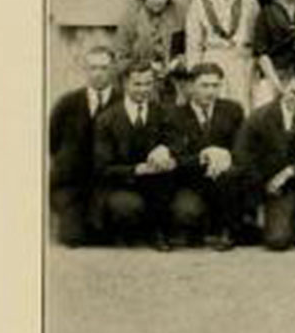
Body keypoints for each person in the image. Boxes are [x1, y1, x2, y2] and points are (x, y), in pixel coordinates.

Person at [234, 70, 295, 251]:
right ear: (284, 87)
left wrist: (290, 172)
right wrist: (262, 191)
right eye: (294, 92)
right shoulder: (260, 116)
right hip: (275, 186)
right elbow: (243, 155)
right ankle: (284, 221)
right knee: (278, 241)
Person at [89, 64, 177, 250]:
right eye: (137, 84)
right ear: (124, 84)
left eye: (148, 84)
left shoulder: (162, 113)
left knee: (167, 190)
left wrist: (166, 150)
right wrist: (136, 169)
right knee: (127, 207)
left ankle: (158, 232)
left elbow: (177, 142)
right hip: (121, 183)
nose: (144, 89)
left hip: (157, 183)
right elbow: (101, 167)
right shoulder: (107, 119)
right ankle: (124, 231)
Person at [164, 63, 246, 250]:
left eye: (215, 86)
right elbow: (175, 157)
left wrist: (225, 156)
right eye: (205, 85)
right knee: (186, 213)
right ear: (191, 86)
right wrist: (203, 156)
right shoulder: (174, 115)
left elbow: (243, 148)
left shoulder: (233, 110)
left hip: (224, 179)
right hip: (192, 181)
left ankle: (227, 231)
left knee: (233, 179)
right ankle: (199, 226)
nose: (211, 92)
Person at [48, 45, 117, 247]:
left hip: (107, 182)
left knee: (107, 236)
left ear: (113, 69)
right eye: (93, 68)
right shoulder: (67, 103)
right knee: (72, 237)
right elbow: (53, 142)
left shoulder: (122, 101)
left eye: (104, 68)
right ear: (85, 70)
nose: (98, 74)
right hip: (73, 182)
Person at [184, 0, 261, 108]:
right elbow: (193, 44)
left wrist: (253, 59)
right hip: (213, 61)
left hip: (242, 62)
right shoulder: (199, 3)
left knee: (243, 108)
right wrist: (195, 76)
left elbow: (257, 33)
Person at [114, 0, 186, 89]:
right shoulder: (131, 19)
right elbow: (121, 57)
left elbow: (185, 49)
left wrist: (174, 64)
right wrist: (147, 65)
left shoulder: (176, 17)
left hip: (172, 82)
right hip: (139, 82)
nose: (159, 0)